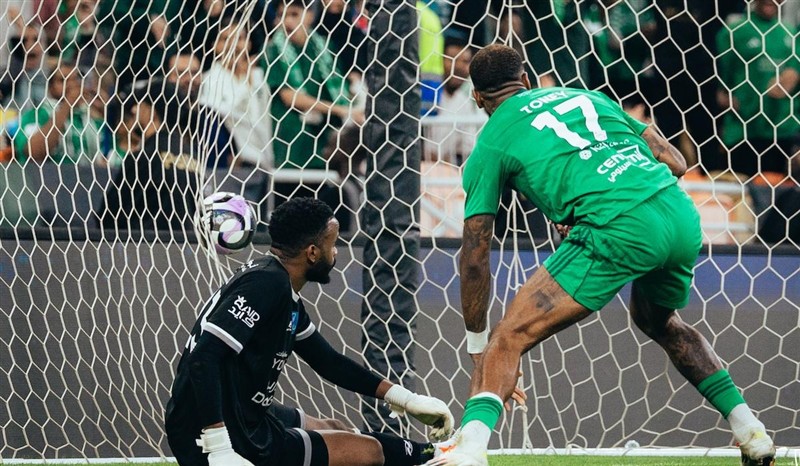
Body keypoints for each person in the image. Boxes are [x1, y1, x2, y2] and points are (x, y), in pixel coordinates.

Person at [426, 45, 776, 466]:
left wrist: (478, 344)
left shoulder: (491, 142)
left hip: (616, 225)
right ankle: (750, 430)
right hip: (678, 214)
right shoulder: (587, 96)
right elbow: (677, 161)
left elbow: (475, 256)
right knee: (659, 321)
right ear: (528, 80)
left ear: (478, 98)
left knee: (507, 338)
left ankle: (469, 451)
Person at [164, 197, 455, 466]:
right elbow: (203, 358)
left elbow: (328, 362)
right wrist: (218, 446)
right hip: (218, 430)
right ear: (313, 253)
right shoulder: (269, 285)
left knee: (335, 428)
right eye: (333, 244)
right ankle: (439, 455)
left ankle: (435, 452)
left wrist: (406, 399)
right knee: (369, 452)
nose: (336, 252)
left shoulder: (277, 284)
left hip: (240, 412)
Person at [716, 0, 799, 183]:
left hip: (781, 128)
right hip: (744, 127)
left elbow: (795, 75)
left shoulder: (790, 32)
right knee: (741, 189)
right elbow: (720, 75)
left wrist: (790, 80)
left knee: (776, 189)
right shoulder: (735, 31)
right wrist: (724, 96)